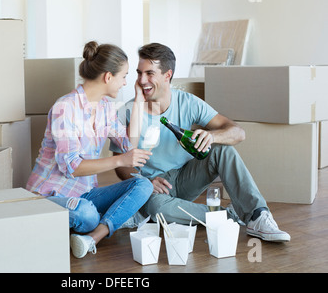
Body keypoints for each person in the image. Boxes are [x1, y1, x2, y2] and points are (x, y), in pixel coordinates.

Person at [111, 42, 290, 242]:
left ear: (167, 75)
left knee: (222, 150)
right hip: (155, 188)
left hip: (187, 177)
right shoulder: (129, 111)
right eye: (139, 73)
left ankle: (257, 216)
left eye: (149, 73)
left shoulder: (188, 102)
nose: (142, 80)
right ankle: (228, 215)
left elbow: (239, 132)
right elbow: (119, 166)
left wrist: (213, 136)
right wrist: (146, 182)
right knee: (156, 208)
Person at [26, 41, 154, 259]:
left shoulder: (105, 108)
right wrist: (119, 160)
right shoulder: (65, 108)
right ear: (108, 77)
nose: (125, 83)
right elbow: (72, 167)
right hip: (49, 195)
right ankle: (93, 222)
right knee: (85, 213)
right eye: (123, 76)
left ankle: (91, 238)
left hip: (84, 193)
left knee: (143, 185)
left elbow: (128, 145)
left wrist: (140, 102)